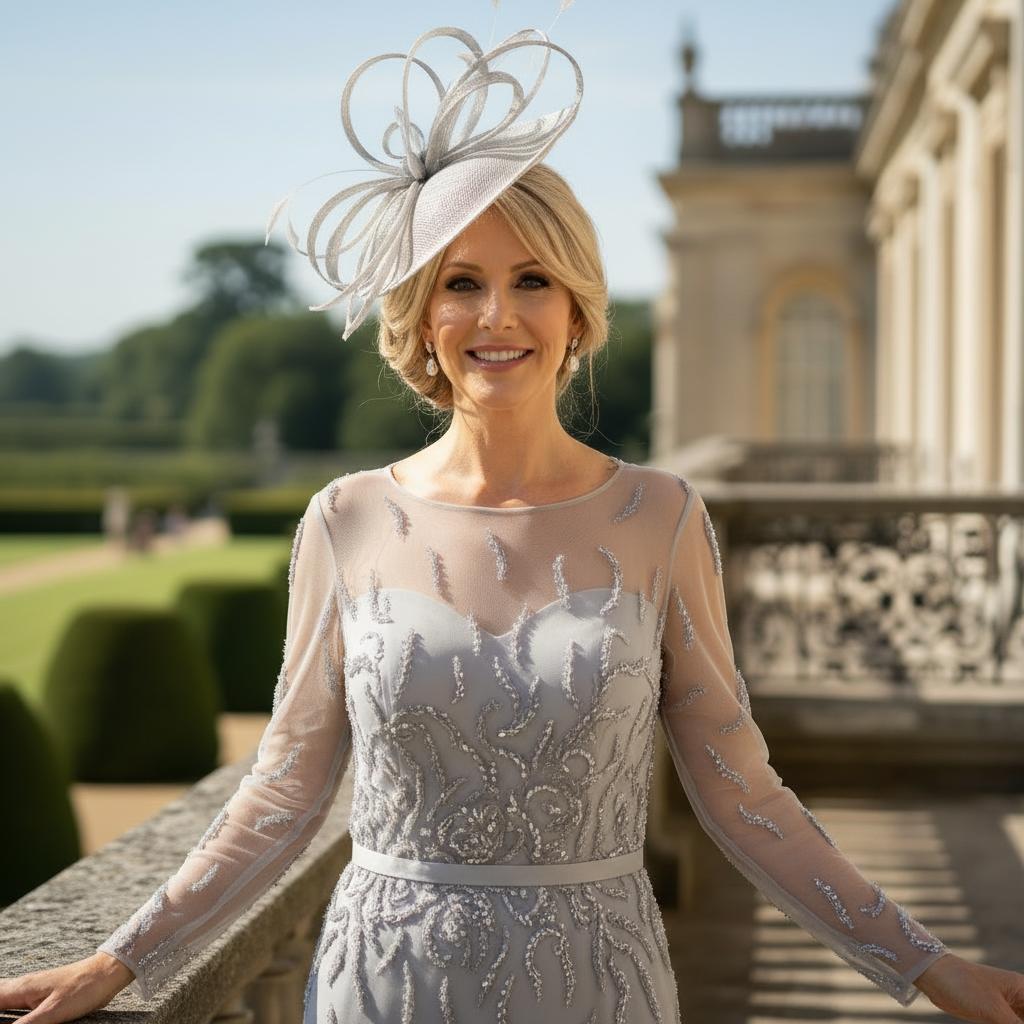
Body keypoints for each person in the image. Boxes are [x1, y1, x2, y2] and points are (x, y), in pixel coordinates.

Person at [3, 17, 1023, 1024]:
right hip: (384, 983)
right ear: (422, 314)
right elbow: (283, 791)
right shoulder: (345, 518)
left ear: (576, 310)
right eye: (462, 283)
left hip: (597, 982)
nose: (497, 315)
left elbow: (743, 797)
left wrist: (931, 968)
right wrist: (117, 960)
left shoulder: (659, 516)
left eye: (531, 279)